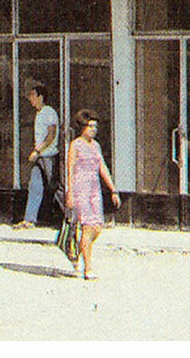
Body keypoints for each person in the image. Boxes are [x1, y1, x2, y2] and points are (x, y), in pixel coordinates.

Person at [64, 108, 120, 281]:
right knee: (87, 227)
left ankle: (76, 251)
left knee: (97, 228)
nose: (94, 130)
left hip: (94, 189)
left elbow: (102, 167)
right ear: (82, 127)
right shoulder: (76, 145)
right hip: (80, 188)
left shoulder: (95, 146)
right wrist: (70, 193)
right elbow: (70, 169)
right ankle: (88, 268)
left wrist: (113, 189)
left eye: (95, 126)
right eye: (90, 126)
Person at [14, 85, 59, 228]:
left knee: (56, 187)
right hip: (41, 157)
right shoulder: (39, 114)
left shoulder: (48, 112)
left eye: (33, 95)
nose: (30, 98)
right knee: (35, 186)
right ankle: (29, 219)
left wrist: (38, 151)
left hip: (48, 156)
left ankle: (73, 216)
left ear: (40, 97)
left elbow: (51, 134)